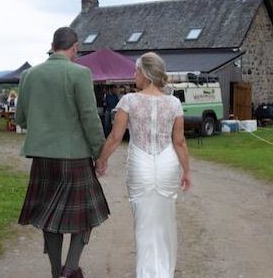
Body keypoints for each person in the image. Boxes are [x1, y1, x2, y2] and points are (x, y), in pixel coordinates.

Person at [16, 27, 109, 278]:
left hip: (42, 158)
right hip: (74, 157)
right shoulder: (80, 73)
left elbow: (21, 118)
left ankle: (57, 272)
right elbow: (89, 117)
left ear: (53, 45)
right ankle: (70, 268)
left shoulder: (29, 75)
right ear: (75, 47)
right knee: (86, 214)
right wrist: (100, 153)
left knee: (49, 216)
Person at [96, 52, 191, 278]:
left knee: (143, 221)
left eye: (136, 70)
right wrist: (186, 171)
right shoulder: (174, 103)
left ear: (146, 74)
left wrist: (101, 161)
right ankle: (163, 272)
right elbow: (179, 141)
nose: (133, 75)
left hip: (141, 162)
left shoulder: (129, 101)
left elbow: (114, 138)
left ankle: (147, 273)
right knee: (165, 219)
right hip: (167, 162)